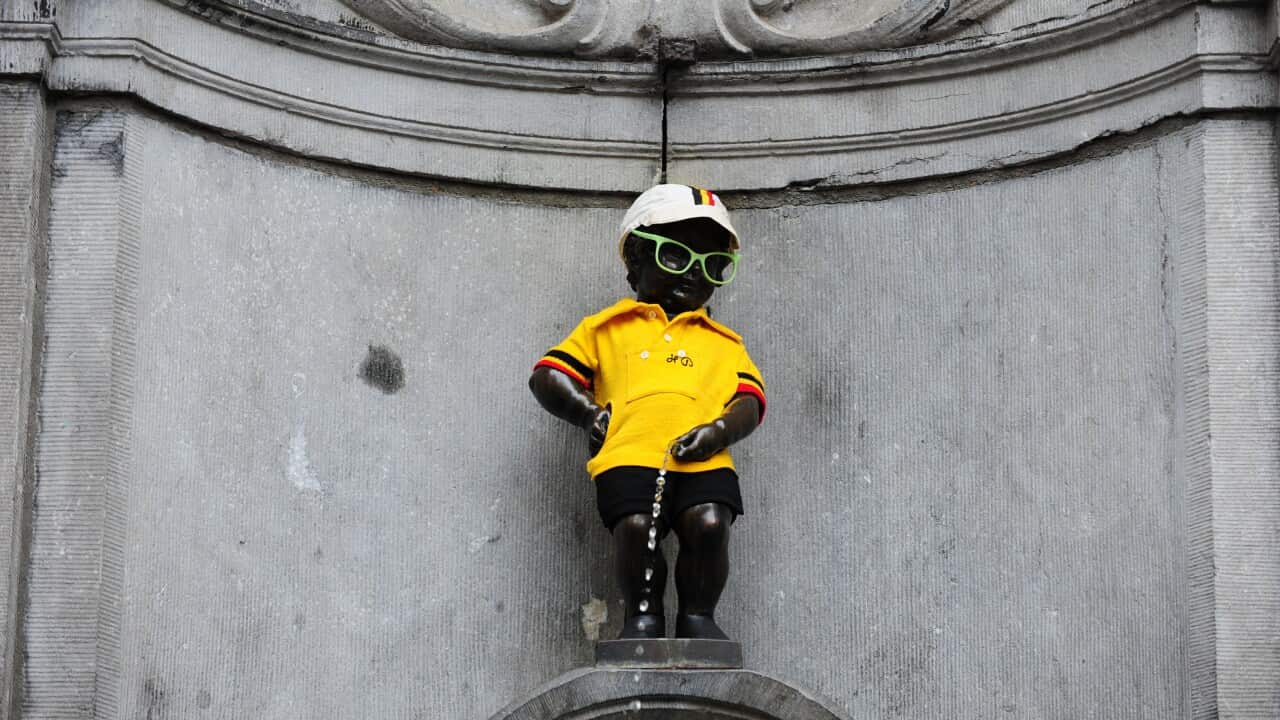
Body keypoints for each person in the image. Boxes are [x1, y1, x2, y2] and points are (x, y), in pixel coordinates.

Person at [529, 184, 766, 640]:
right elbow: (547, 375)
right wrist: (587, 413)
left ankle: (699, 617)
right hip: (629, 452)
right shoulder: (606, 328)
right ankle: (643, 618)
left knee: (711, 524)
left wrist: (720, 431)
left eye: (713, 266)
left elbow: (750, 401)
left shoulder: (723, 342)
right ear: (636, 260)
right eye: (676, 257)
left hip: (705, 455)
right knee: (637, 530)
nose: (694, 276)